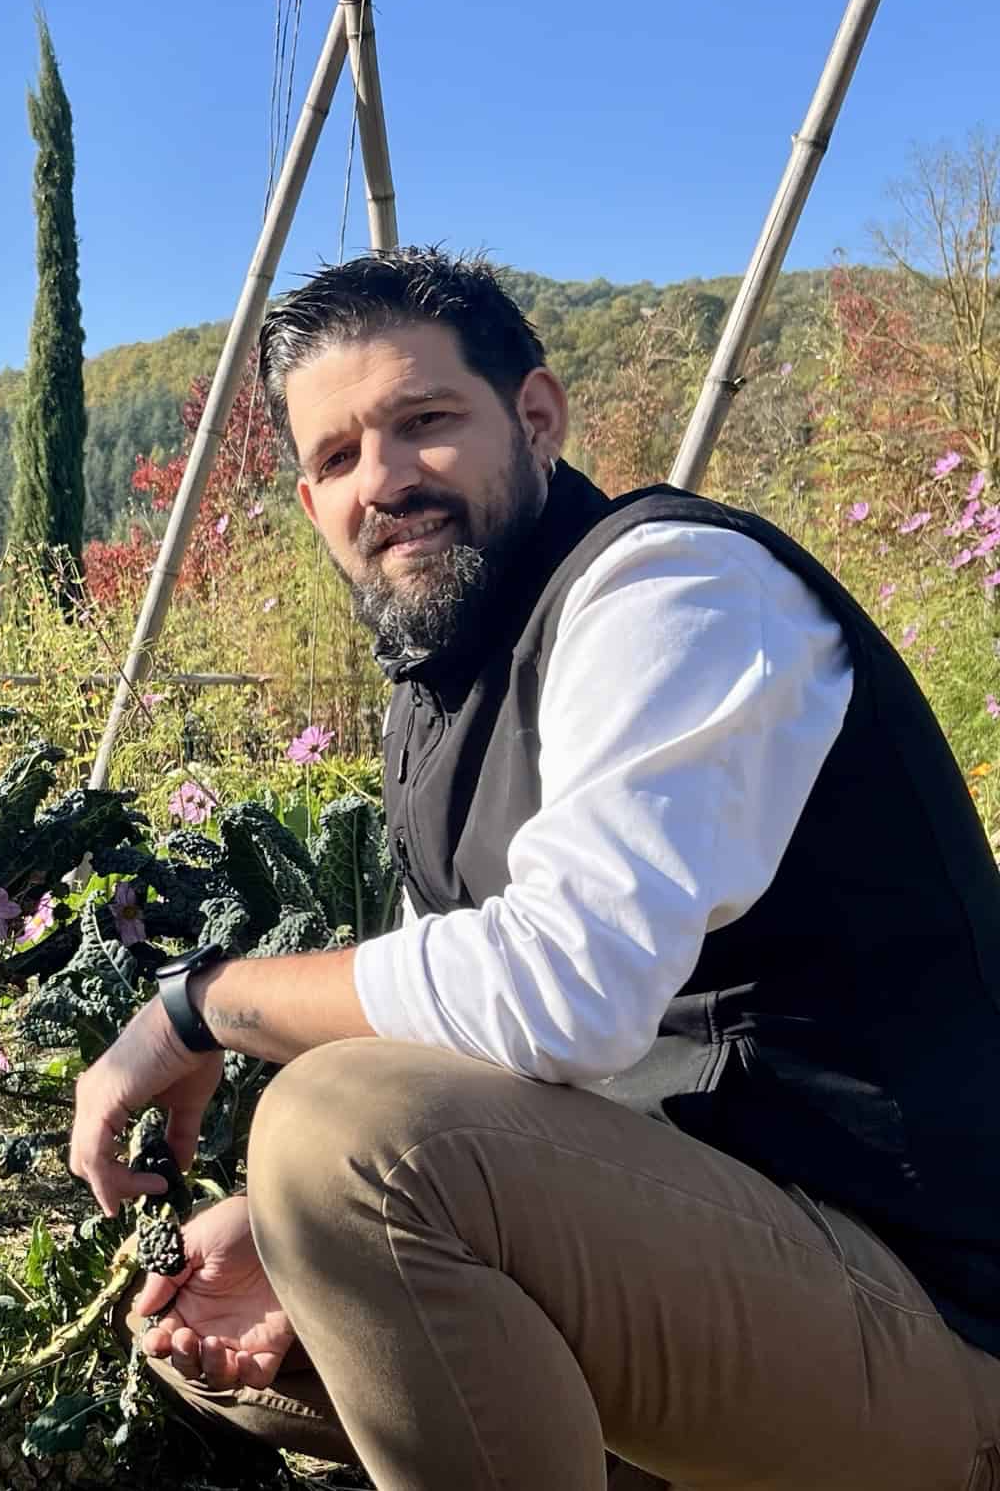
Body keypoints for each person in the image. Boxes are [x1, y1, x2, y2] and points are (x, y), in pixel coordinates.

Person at [66, 248, 1000, 1490]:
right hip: (742, 1259)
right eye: (335, 458)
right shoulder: (439, 683)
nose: (383, 480)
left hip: (935, 1306)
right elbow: (458, 1048)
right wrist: (288, 1244)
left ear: (536, 417)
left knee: (343, 1136)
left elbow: (559, 993)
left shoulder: (671, 590)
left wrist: (200, 1004)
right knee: (252, 1268)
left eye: (423, 422)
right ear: (308, 505)